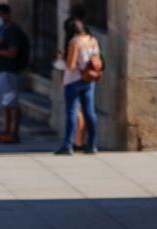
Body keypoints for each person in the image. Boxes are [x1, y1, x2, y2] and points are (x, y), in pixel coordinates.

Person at [53, 19, 99, 156]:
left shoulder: (75, 42)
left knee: (71, 112)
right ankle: (92, 144)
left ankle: (68, 145)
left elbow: (71, 66)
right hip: (89, 79)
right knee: (90, 112)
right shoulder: (92, 40)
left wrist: (62, 58)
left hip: (74, 81)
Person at [0, 3, 27, 145]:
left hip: (10, 71)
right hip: (1, 70)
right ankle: (5, 131)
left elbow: (13, 52)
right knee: (5, 104)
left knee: (12, 103)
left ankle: (14, 133)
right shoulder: (2, 29)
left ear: (6, 15)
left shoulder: (12, 31)